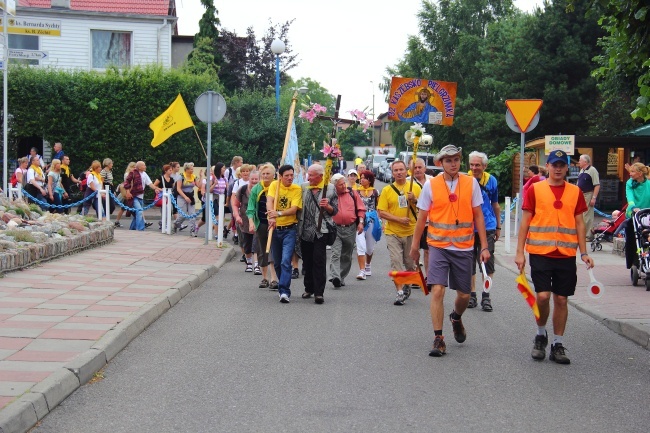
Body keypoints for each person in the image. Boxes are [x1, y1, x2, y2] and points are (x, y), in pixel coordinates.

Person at [410, 145, 489, 357]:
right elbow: (422, 217)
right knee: (437, 290)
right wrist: (415, 246)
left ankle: (456, 317)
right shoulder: (431, 185)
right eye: (448, 160)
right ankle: (439, 338)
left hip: (464, 247)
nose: (453, 163)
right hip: (438, 245)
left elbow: (478, 216)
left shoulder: (471, 183)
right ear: (440, 163)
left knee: (464, 294)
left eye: (456, 159)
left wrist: (485, 246)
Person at [515, 149, 593, 365]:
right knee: (542, 296)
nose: (558, 168)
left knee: (561, 298)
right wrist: (519, 252)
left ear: (567, 167)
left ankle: (557, 343)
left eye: (562, 164)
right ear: (547, 166)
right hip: (540, 252)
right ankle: (541, 335)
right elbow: (525, 222)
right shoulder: (535, 189)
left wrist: (584, 252)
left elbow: (579, 223)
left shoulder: (575, 192)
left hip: (566, 253)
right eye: (554, 164)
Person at [377, 160, 421, 305]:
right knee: (396, 262)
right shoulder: (387, 190)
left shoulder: (415, 187)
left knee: (409, 264)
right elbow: (381, 212)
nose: (399, 172)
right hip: (392, 232)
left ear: (407, 170)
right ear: (392, 172)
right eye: (396, 170)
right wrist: (398, 220)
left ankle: (407, 284)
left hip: (411, 232)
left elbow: (425, 208)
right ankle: (399, 292)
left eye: (401, 169)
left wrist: (414, 200)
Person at [466, 151, 501, 311]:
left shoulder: (491, 180)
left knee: (487, 261)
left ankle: (486, 296)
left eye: (477, 165)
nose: (474, 168)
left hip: (488, 226)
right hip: (468, 226)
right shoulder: (464, 180)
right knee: (469, 261)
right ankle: (472, 295)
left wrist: (498, 226)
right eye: (472, 165)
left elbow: (495, 205)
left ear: (485, 166)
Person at [298, 164, 338, 304]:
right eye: (308, 174)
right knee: (307, 261)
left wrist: (327, 207)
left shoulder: (330, 188)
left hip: (321, 231)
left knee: (319, 261)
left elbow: (335, 211)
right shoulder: (303, 187)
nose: (308, 177)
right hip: (305, 230)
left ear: (321, 176)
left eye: (311, 175)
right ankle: (309, 288)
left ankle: (319, 292)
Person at [266, 164, 303, 303]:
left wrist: (279, 213)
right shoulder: (274, 185)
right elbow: (269, 201)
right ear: (280, 176)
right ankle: (282, 284)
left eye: (291, 175)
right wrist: (271, 215)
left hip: (289, 229)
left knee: (286, 261)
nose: (289, 178)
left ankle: (284, 291)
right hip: (274, 229)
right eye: (286, 176)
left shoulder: (296, 188)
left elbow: (294, 209)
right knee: (277, 262)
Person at [247, 163, 279, 290]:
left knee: (273, 249)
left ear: (274, 175)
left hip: (275, 223)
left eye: (268, 174)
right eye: (263, 174)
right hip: (261, 223)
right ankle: (264, 277)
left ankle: (274, 279)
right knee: (262, 250)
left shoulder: (277, 187)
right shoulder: (256, 189)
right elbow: (250, 208)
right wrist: (251, 222)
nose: (265, 176)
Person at [329, 173, 365, 288]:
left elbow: (361, 209)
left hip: (350, 228)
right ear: (334, 186)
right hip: (335, 228)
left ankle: (341, 276)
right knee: (335, 253)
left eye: (344, 183)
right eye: (340, 185)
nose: (344, 186)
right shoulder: (331, 195)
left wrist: (360, 223)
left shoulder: (352, 193)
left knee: (346, 255)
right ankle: (335, 276)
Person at [407, 158, 433, 276]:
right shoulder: (407, 183)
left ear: (424, 168)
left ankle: (428, 277)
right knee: (414, 249)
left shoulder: (433, 181)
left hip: (430, 221)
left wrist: (416, 199)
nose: (417, 170)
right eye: (414, 168)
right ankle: (417, 274)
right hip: (413, 222)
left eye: (419, 167)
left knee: (428, 250)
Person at [624, 163, 650, 269]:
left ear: (639, 174)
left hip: (647, 214)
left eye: (633, 171)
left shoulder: (648, 184)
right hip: (634, 213)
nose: (630, 174)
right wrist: (633, 206)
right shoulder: (630, 183)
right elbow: (629, 197)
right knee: (632, 236)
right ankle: (634, 261)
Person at [356, 170, 380, 279]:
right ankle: (361, 271)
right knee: (361, 246)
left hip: (372, 221)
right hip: (359, 220)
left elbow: (379, 207)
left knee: (369, 248)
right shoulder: (356, 192)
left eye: (364, 178)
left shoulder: (375, 192)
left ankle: (368, 265)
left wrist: (381, 221)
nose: (361, 180)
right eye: (361, 178)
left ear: (369, 180)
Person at [123, 161, 161, 231]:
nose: (145, 167)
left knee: (137, 214)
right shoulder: (132, 173)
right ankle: (140, 230)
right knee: (139, 212)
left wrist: (156, 189)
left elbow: (150, 184)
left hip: (141, 196)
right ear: (139, 167)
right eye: (144, 165)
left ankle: (132, 229)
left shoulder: (144, 174)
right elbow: (126, 183)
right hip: (133, 196)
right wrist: (128, 192)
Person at [232, 168, 256, 272]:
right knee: (247, 243)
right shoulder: (242, 190)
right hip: (244, 221)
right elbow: (235, 204)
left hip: (258, 221)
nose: (254, 181)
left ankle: (256, 264)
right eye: (252, 179)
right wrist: (237, 216)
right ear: (249, 179)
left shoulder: (262, 190)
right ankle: (249, 262)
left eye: (256, 179)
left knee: (257, 243)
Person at [173, 162, 201, 235]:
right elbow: (178, 188)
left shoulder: (194, 177)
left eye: (193, 169)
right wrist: (185, 197)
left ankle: (192, 230)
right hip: (182, 197)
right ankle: (176, 224)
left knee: (192, 214)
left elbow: (199, 186)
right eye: (191, 169)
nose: (193, 170)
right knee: (182, 215)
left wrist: (201, 177)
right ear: (187, 169)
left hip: (191, 197)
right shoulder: (181, 177)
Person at [577, 154, 600, 241]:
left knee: (587, 215)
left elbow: (597, 185)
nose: (579, 162)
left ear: (585, 162)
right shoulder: (582, 170)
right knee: (581, 215)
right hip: (581, 194)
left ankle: (588, 235)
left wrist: (594, 197)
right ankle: (582, 233)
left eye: (580, 160)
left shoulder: (592, 170)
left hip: (588, 194)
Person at [153, 164, 176, 229]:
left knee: (170, 210)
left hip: (169, 196)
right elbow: (154, 185)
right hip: (162, 195)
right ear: (165, 171)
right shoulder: (161, 178)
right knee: (164, 210)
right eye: (170, 170)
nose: (171, 172)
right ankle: (165, 225)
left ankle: (162, 222)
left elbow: (173, 187)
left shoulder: (172, 179)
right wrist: (160, 189)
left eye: (171, 170)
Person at [114, 162, 136, 227]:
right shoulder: (127, 174)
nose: (135, 168)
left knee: (123, 208)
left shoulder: (132, 174)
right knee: (130, 207)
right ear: (130, 167)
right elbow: (128, 184)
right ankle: (142, 221)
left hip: (129, 192)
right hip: (128, 192)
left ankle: (117, 221)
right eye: (133, 167)